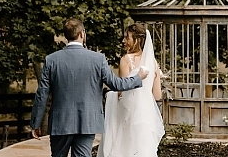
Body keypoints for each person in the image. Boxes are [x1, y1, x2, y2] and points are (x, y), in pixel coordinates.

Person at [29, 17, 149, 157]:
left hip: (60, 122)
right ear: (82, 34)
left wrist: (35, 123)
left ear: (67, 35)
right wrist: (138, 77)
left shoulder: (51, 60)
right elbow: (116, 84)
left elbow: (41, 94)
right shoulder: (98, 59)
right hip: (88, 121)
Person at [98, 23, 165, 157]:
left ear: (137, 40)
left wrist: (110, 95)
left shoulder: (126, 60)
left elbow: (121, 90)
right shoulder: (153, 63)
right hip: (146, 117)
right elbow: (157, 95)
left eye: (127, 38)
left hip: (127, 114)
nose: (123, 41)